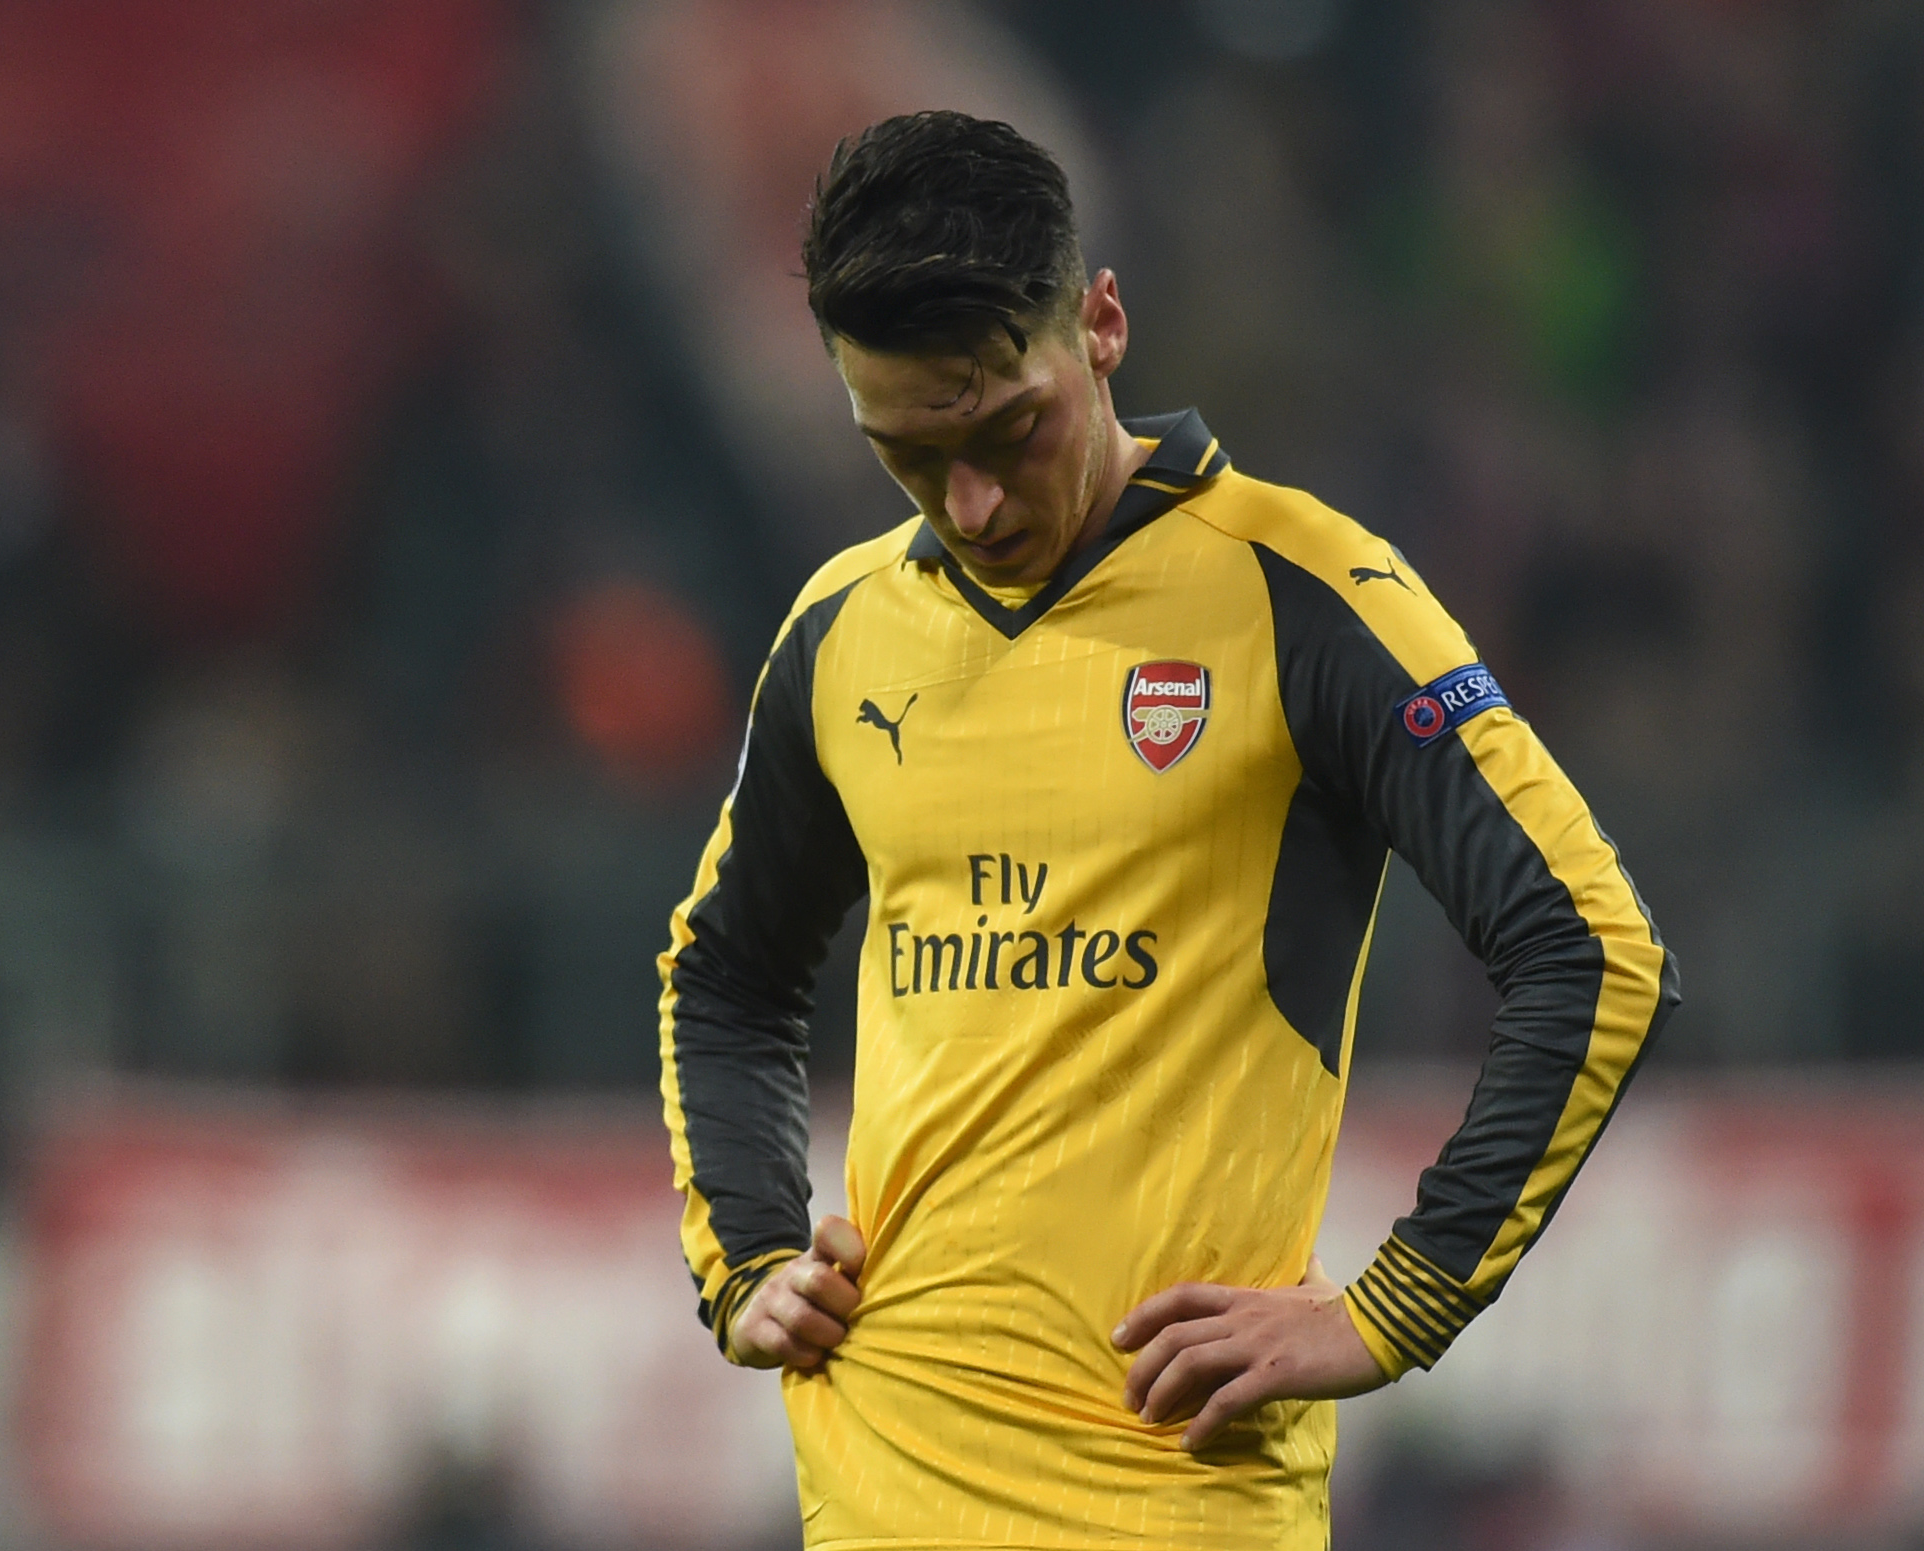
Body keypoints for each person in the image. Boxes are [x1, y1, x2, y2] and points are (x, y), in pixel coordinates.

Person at [657, 110, 1677, 1550]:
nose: (971, 501)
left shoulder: (1306, 591)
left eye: (1009, 428)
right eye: (905, 453)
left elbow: (1593, 952)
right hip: (876, 1498)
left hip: (1173, 1501)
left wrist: (1399, 1305)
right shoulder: (839, 633)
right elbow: (727, 975)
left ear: (1104, 325)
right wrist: (748, 1256)